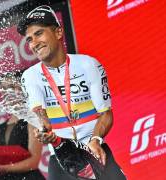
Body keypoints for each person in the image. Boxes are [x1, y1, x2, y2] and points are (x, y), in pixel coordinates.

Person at [17, 5, 126, 180]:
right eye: (29, 39)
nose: (34, 43)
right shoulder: (30, 77)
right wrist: (44, 129)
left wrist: (96, 140)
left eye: (39, 33)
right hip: (62, 160)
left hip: (96, 149)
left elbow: (106, 113)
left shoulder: (89, 65)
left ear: (59, 32)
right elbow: (40, 113)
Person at [0, 73, 46, 180]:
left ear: (23, 90)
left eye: (12, 87)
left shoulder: (32, 120)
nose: (8, 92)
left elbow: (34, 162)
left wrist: (2, 168)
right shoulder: (0, 128)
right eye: (4, 88)